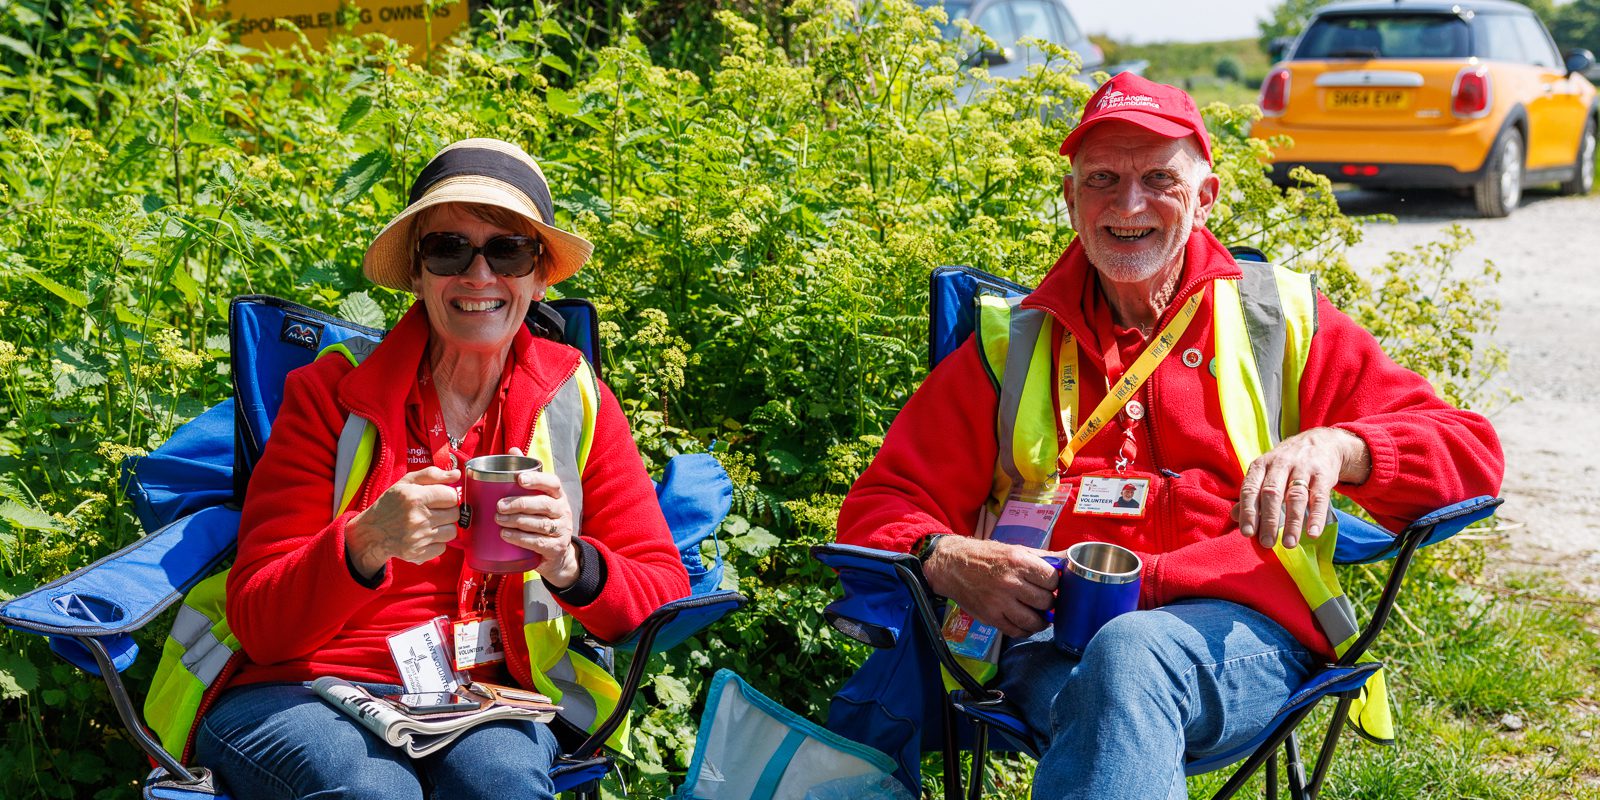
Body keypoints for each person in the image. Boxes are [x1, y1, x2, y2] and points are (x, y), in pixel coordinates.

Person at [835, 73, 1502, 799]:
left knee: (1128, 657)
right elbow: (881, 503)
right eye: (1103, 179)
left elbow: (1469, 453)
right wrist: (945, 555)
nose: (1128, 205)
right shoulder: (1011, 344)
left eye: (1158, 178)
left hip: (1242, 641)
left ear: (1204, 197)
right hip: (1051, 647)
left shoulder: (1274, 317)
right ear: (1071, 199)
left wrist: (1340, 449)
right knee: (1116, 679)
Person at [185, 138, 691, 799]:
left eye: (507, 250)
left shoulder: (576, 397)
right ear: (419, 275)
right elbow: (260, 623)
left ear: (539, 277)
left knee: (504, 784)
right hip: (304, 685)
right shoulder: (331, 397)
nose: (479, 275)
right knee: (371, 790)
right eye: (449, 249)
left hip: (484, 693)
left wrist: (570, 561)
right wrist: (364, 542)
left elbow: (659, 592)